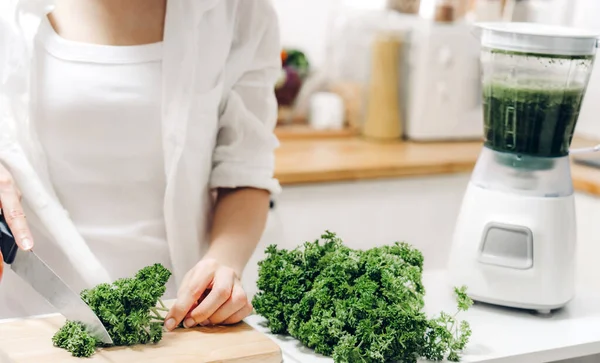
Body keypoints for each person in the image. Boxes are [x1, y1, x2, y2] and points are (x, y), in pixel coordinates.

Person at [0, 0, 281, 332]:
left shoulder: (240, 12)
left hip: (179, 321)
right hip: (31, 322)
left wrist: (224, 261)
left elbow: (245, 170)